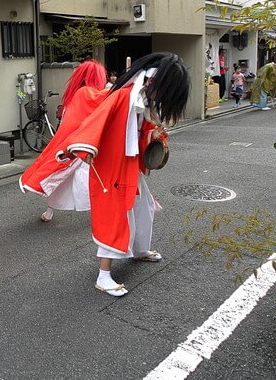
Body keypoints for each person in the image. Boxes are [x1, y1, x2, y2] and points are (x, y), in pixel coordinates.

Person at [57, 52, 190, 297]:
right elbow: (95, 124)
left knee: (143, 207)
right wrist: (81, 147)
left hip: (127, 164)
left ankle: (140, 250)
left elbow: (140, 132)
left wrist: (153, 136)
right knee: (115, 216)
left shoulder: (141, 101)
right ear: (153, 82)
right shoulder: (123, 97)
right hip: (111, 167)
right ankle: (103, 275)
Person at [20, 60, 107, 223]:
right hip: (79, 144)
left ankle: (50, 211)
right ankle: (96, 212)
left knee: (61, 178)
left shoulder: (77, 93)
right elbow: (105, 101)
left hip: (72, 142)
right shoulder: (87, 93)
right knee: (85, 178)